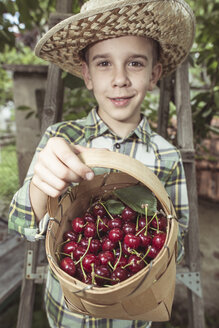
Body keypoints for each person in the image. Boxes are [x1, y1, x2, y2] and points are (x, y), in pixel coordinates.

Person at [8, 0, 195, 327]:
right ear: (87, 75)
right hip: (69, 315)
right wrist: (41, 184)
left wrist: (160, 242)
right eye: (104, 63)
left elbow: (176, 247)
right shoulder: (62, 140)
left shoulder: (167, 156)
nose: (120, 78)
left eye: (135, 63)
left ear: (154, 74)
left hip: (134, 314)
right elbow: (19, 221)